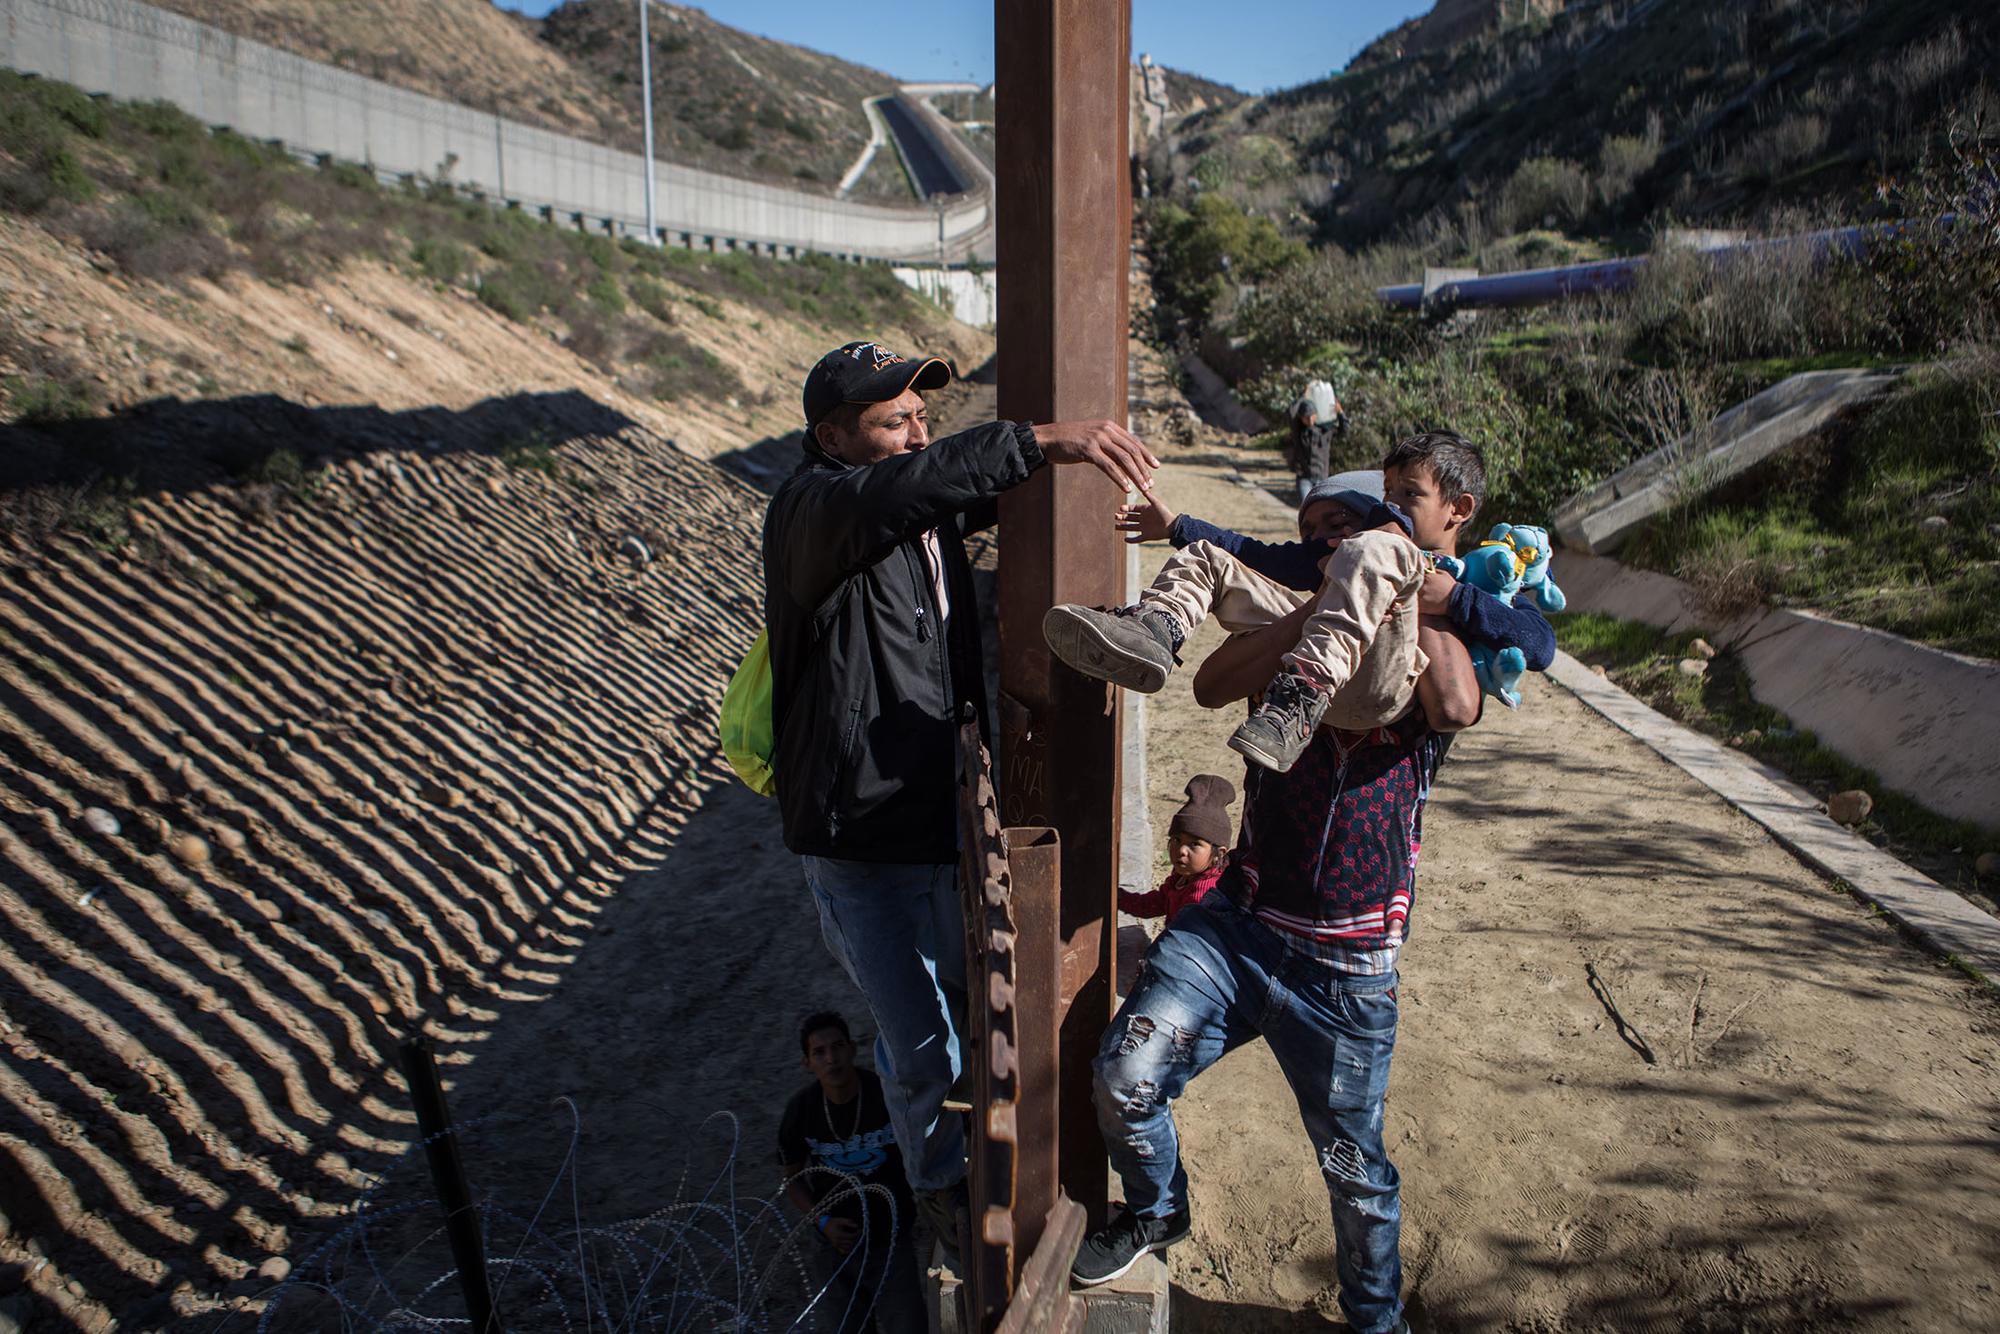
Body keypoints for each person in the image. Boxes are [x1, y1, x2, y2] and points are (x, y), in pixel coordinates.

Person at [1069, 436, 1515, 1334]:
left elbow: (1460, 703)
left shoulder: (1422, 634)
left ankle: (1374, 1317)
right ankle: (1158, 1211)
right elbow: (1210, 683)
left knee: (1355, 1171)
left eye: (1342, 529)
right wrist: (1309, 613)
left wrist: (1427, 591)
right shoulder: (1309, 603)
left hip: (1348, 971)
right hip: (1240, 927)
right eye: (1313, 533)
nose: (1327, 544)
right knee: (1123, 1076)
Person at [761, 340, 1159, 1255]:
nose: (916, 433)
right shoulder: (814, 511)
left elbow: (944, 486)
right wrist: (1043, 437)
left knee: (972, 1007)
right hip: (861, 840)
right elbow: (907, 488)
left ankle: (979, 1158)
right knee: (919, 1045)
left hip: (935, 822)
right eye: (893, 420)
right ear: (830, 437)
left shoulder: (905, 502)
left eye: (921, 418)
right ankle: (941, 1187)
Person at [1042, 433, 1553, 773]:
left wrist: (1455, 597)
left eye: (1408, 495)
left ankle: (1302, 695)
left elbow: (1541, 643)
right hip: (1316, 654)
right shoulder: (1355, 551)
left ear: (1459, 509)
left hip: (1372, 686)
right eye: (1388, 491)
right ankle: (1154, 630)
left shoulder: (1477, 579)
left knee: (1378, 550)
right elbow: (1262, 556)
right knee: (1209, 557)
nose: (1392, 505)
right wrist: (1179, 528)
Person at [779, 1012, 924, 1334]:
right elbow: (793, 1178)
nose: (831, 1059)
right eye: (819, 1053)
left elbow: (918, 1152)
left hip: (890, 1240)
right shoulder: (801, 1111)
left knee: (908, 1325)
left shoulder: (885, 1096)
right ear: (807, 1063)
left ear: (852, 1049)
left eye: (838, 1047)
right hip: (834, 1248)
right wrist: (824, 1222)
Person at [1118, 774, 1234, 929]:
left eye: (1194, 844)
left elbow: (1188, 941)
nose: (1181, 850)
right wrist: (1119, 898)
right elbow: (1156, 903)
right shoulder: (1183, 876)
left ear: (1218, 853)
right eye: (1177, 840)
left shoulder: (1204, 896)